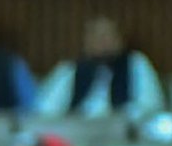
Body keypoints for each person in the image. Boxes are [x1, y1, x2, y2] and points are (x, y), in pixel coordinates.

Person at [35, 16, 164, 120]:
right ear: (86, 42)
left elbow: (151, 105)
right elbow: (46, 108)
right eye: (96, 36)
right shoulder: (70, 69)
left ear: (119, 41)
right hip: (80, 130)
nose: (102, 42)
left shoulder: (136, 64)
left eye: (108, 36)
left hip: (121, 130)